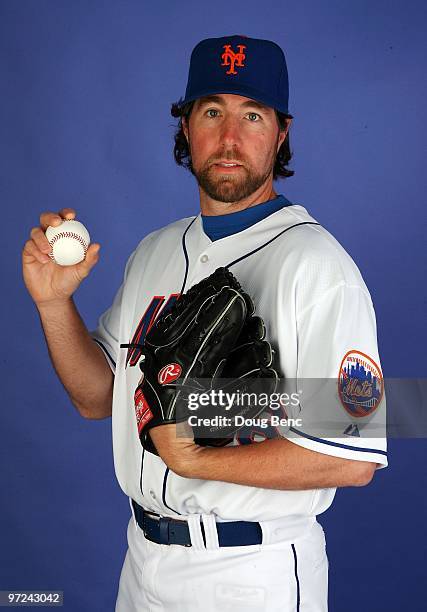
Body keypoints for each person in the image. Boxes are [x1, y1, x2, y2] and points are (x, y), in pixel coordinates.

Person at [22, 35, 387, 611]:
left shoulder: (318, 267)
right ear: (187, 126)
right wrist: (52, 304)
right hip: (142, 562)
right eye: (212, 111)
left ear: (281, 133)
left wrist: (198, 458)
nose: (230, 138)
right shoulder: (155, 252)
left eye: (253, 115)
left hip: (252, 573)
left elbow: (352, 455)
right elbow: (98, 398)